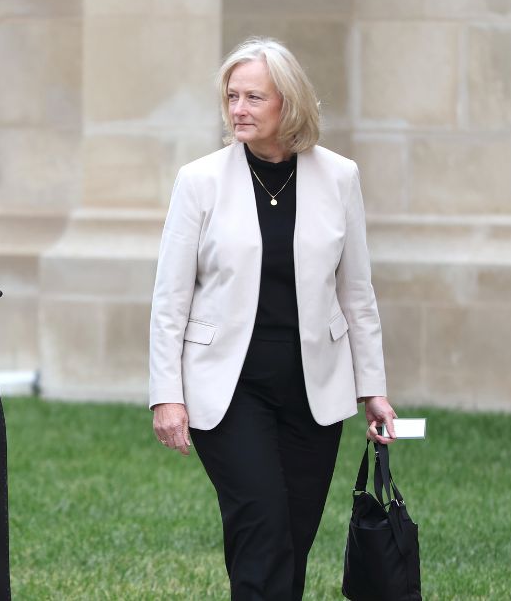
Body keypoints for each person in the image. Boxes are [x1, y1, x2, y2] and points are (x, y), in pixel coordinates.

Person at [148, 36, 399, 600]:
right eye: (232, 96)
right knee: (261, 524)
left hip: (315, 388)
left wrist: (373, 389)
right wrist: (167, 394)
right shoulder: (200, 181)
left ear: (289, 103)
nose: (238, 109)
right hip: (228, 386)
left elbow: (357, 291)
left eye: (254, 98)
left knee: (293, 535)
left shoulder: (339, 177)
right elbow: (171, 296)